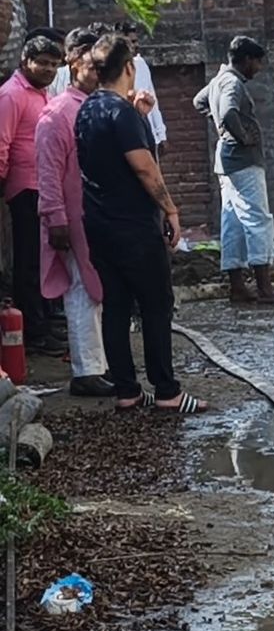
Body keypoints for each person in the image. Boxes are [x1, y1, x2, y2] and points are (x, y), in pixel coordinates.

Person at [75, 33, 205, 412]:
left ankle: (127, 391)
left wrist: (142, 118)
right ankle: (167, 391)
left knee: (115, 306)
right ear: (129, 67)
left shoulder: (88, 109)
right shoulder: (121, 113)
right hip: (133, 226)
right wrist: (172, 211)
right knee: (155, 305)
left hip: (98, 222)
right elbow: (144, 168)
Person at [35, 27, 114, 397]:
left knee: (97, 289)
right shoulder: (56, 114)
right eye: (92, 61)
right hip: (71, 217)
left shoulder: (93, 105)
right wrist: (55, 219)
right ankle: (85, 372)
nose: (99, 69)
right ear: (74, 60)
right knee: (81, 290)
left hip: (95, 214)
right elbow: (47, 172)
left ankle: (99, 365)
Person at [194, 36, 274, 304]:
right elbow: (226, 113)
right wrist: (240, 136)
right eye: (257, 62)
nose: (258, 68)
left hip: (226, 162)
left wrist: (222, 129)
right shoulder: (233, 82)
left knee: (233, 223)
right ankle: (265, 288)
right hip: (242, 160)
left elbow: (199, 102)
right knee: (258, 219)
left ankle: (237, 286)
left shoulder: (217, 80)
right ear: (247, 59)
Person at [0, 35, 65, 355]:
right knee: (28, 263)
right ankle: (35, 335)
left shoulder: (42, 93)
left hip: (44, 186)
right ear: (25, 62)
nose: (49, 70)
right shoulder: (12, 95)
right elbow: (1, 142)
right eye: (43, 63)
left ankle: (45, 324)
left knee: (43, 259)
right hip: (24, 187)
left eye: (55, 65)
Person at [115, 21, 168, 158]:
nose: (136, 45)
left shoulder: (141, 64)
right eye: (132, 42)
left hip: (147, 132)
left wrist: (160, 133)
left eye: (136, 41)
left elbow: (152, 99)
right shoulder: (112, 69)